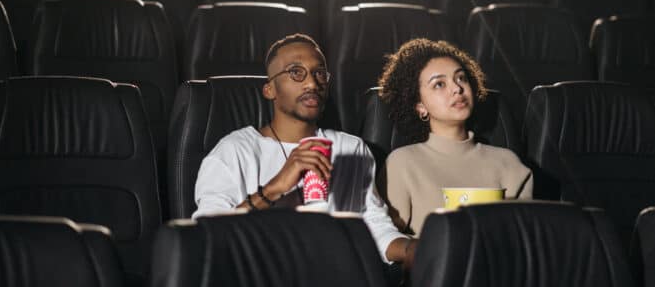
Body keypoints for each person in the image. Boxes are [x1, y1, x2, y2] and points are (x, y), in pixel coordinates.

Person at [193, 33, 416, 267]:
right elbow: (206, 239)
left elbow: (374, 226)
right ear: (270, 90)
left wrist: (416, 249)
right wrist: (273, 189)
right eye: (296, 72)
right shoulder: (234, 151)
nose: (312, 83)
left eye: (319, 73)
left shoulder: (350, 148)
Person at [378, 38, 533, 237]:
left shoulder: (509, 163)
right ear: (420, 106)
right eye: (439, 84)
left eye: (461, 78)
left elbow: (524, 237)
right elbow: (387, 238)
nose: (457, 89)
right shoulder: (402, 163)